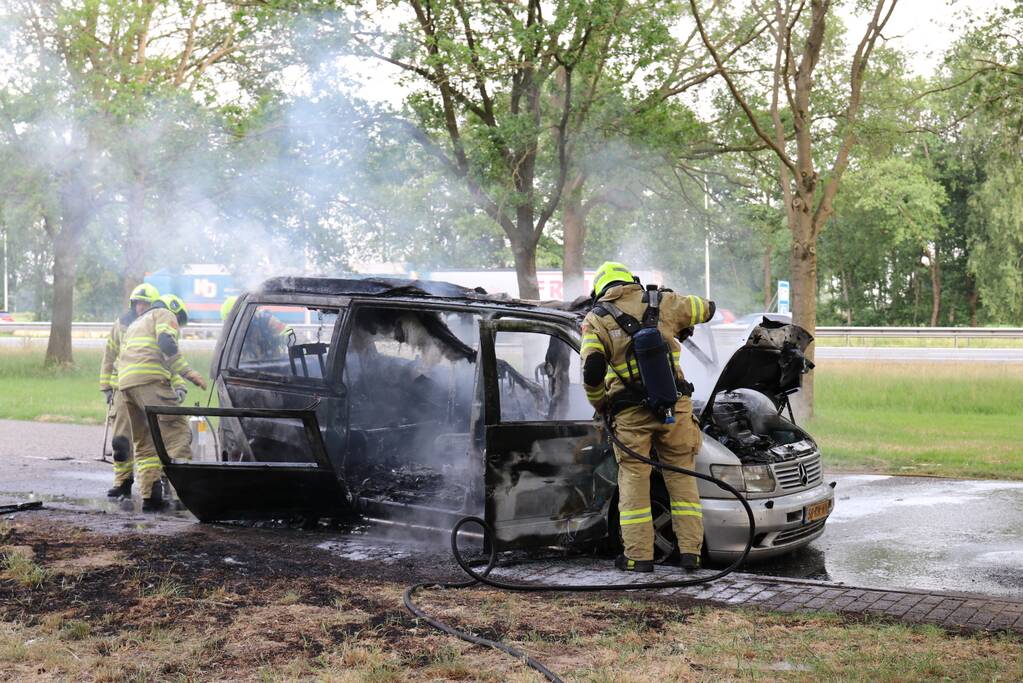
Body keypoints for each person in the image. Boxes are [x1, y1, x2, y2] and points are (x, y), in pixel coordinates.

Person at [579, 261, 715, 572]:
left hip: (630, 415)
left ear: (599, 290)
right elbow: (707, 308)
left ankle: (638, 557)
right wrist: (674, 305)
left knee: (634, 481)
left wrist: (601, 404)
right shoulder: (662, 301)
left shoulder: (595, 319)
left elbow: (592, 372)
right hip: (675, 408)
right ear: (631, 280)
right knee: (682, 479)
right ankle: (691, 554)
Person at [117, 294, 207, 511]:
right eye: (179, 321)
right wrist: (189, 373)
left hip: (127, 387)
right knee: (177, 434)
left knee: (145, 443)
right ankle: (183, 496)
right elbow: (166, 342)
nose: (178, 326)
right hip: (150, 382)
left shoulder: (136, 323)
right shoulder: (165, 313)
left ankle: (151, 497)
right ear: (175, 309)